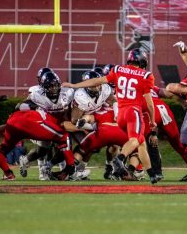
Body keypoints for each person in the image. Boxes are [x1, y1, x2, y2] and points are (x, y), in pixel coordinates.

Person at [65, 49, 160, 184]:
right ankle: (119, 159)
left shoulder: (118, 69)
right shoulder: (146, 75)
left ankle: (152, 175)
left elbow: (97, 81)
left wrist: (75, 85)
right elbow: (150, 104)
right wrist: (152, 121)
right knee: (135, 140)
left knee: (141, 142)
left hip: (120, 114)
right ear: (143, 61)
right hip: (133, 112)